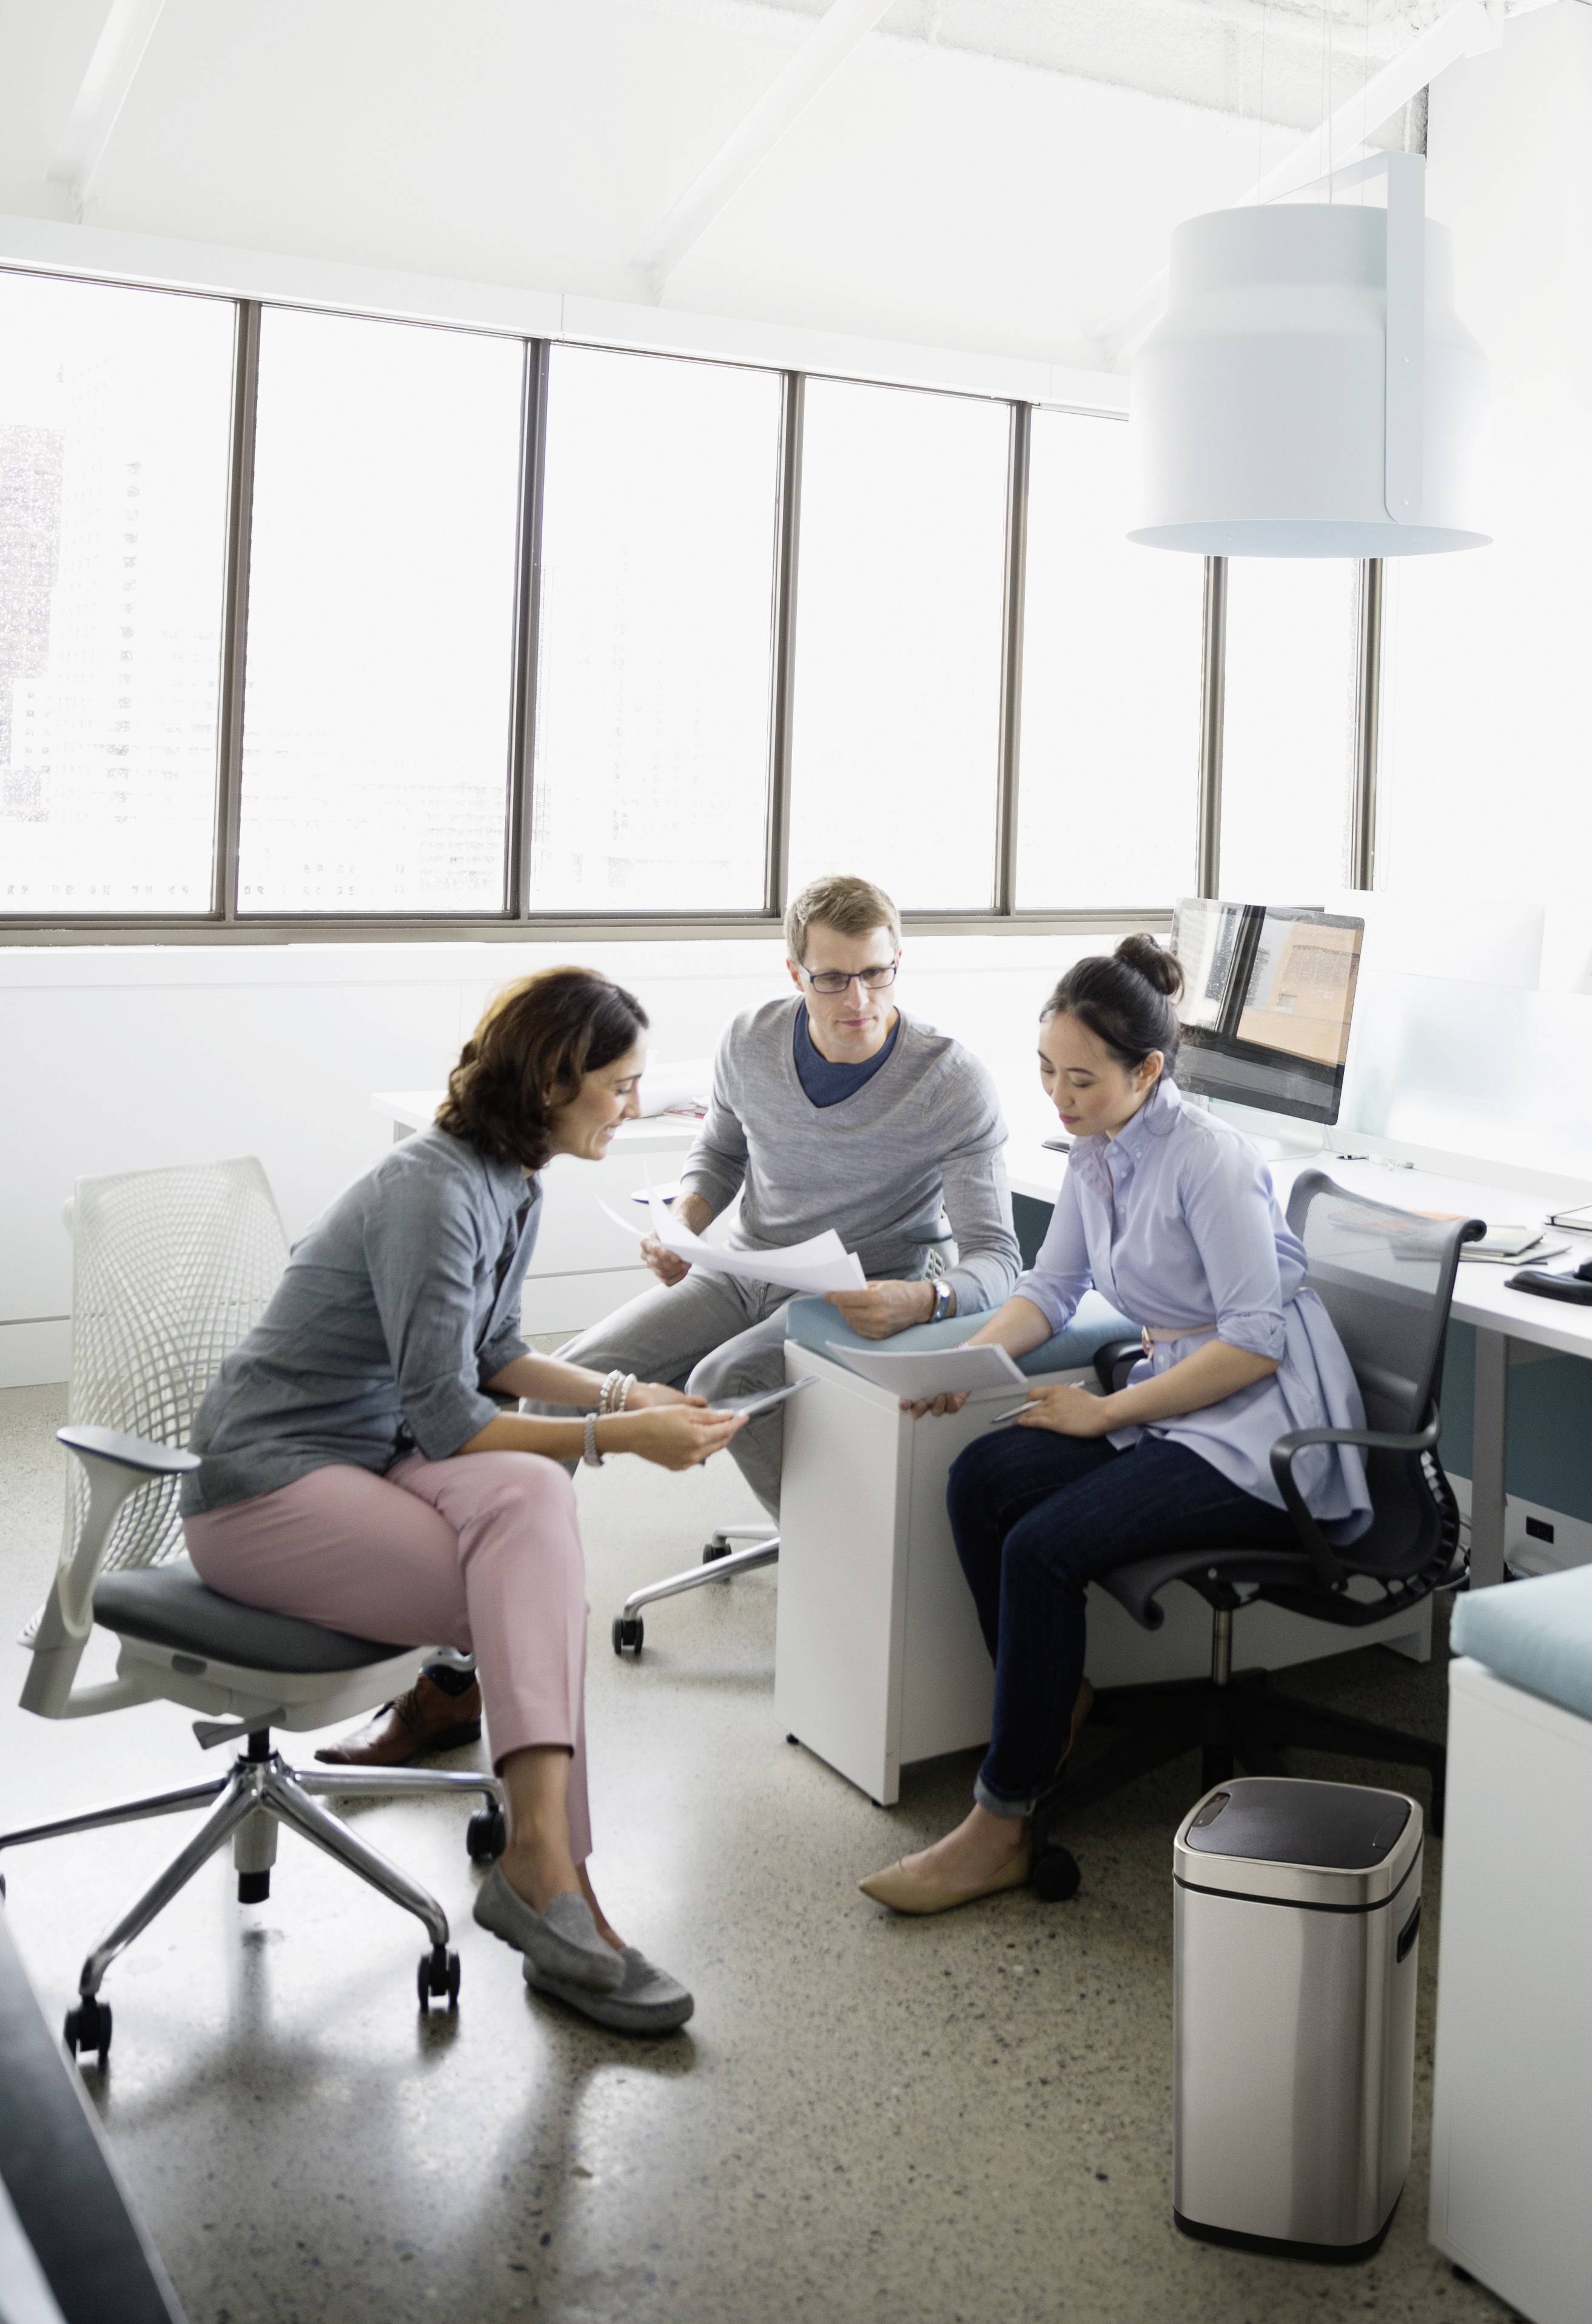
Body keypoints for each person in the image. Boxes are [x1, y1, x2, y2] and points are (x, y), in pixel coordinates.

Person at [182, 969, 741, 2036]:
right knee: (529, 1588)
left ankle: (548, 1876)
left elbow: (493, 1357)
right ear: (553, 1079)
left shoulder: (511, 1184)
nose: (633, 1110)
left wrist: (631, 1393)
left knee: (532, 1498)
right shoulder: (431, 1190)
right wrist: (625, 1437)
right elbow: (450, 1416)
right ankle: (555, 1883)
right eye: (619, 1089)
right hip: (263, 1488)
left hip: (372, 1460)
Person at [858, 934, 1371, 1917]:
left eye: (1083, 1079)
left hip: (1261, 1428)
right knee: (983, 1479)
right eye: (1049, 1072)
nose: (1060, 1096)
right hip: (1181, 1396)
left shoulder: (1207, 1161)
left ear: (1148, 1071)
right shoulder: (1095, 1158)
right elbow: (1051, 1290)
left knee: (1047, 1547)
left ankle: (1002, 1822)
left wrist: (1105, 1414)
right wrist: (964, 1370)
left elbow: (1255, 1345)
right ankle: (1052, 1709)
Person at [556, 872, 1021, 1519]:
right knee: (565, 1379)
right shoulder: (749, 1040)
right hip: (745, 1272)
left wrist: (925, 1300)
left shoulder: (950, 1080)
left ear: (897, 962)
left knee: (724, 1378)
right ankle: (518, 1566)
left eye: (877, 973)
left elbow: (998, 1256)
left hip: (860, 1292)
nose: (859, 999)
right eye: (832, 978)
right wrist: (685, 1226)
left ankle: (832, 1572)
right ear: (796, 973)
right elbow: (719, 1155)